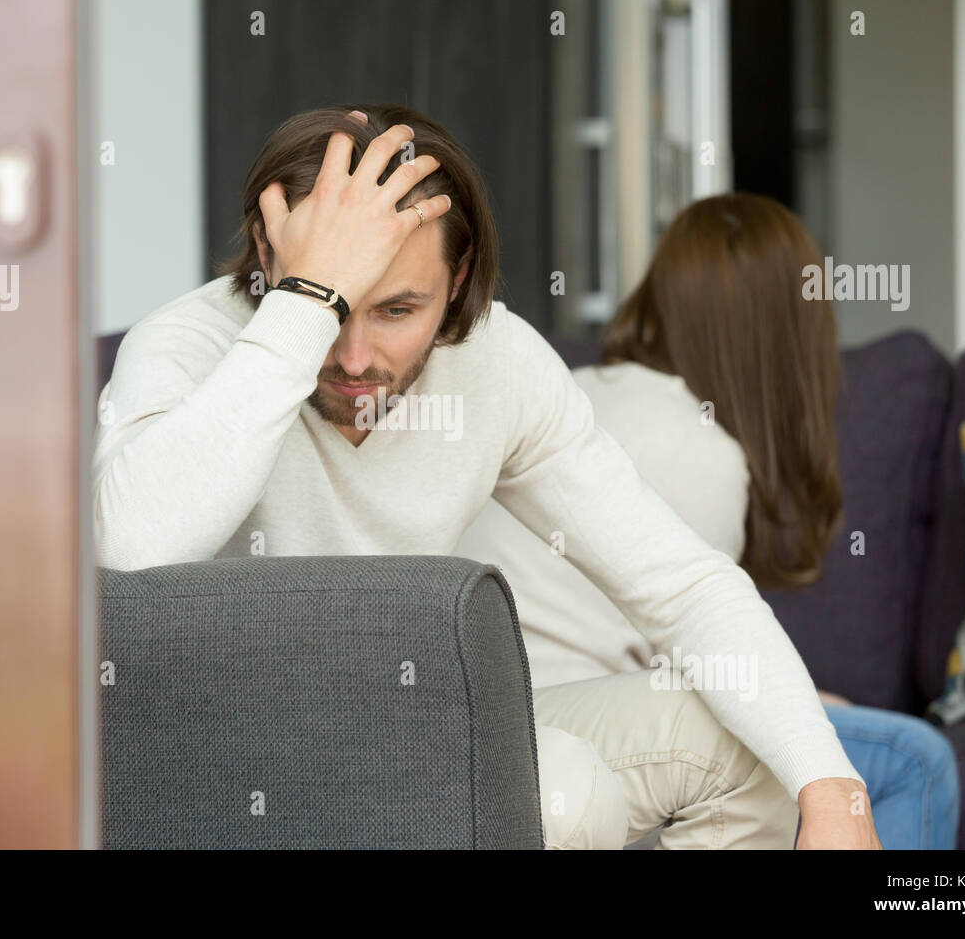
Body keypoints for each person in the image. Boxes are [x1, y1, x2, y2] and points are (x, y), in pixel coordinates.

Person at [93, 103, 881, 849]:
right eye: (338, 306)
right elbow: (128, 555)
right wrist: (303, 307)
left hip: (421, 727)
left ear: (460, 278)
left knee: (765, 751)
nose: (357, 359)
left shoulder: (497, 361)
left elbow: (683, 585)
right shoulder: (187, 345)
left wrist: (834, 788)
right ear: (270, 254)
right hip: (227, 757)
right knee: (566, 789)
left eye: (397, 310)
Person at [454, 192, 960, 849]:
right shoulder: (707, 453)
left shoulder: (576, 387)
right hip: (567, 728)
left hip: (496, 710)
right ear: (791, 335)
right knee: (916, 759)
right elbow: (706, 655)